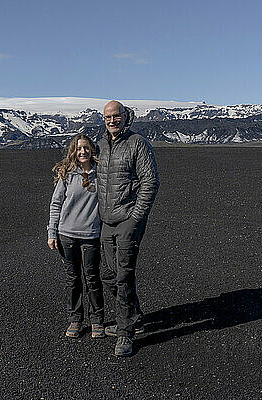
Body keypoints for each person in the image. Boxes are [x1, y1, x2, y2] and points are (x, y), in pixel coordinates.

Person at [96, 100, 160, 356]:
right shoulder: (100, 145)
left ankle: (125, 334)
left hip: (127, 221)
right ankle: (134, 317)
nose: (112, 120)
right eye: (107, 117)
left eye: (116, 116)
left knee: (123, 276)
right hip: (106, 221)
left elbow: (150, 181)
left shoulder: (137, 144)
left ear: (125, 116)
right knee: (109, 275)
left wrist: (135, 218)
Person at [47, 134, 105, 339]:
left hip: (91, 235)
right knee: (73, 280)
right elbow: (56, 204)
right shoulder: (67, 174)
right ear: (73, 151)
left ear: (92, 150)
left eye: (87, 148)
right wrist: (52, 232)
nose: (83, 152)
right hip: (67, 235)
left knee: (92, 278)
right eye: (79, 148)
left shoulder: (102, 174)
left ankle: (97, 319)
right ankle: (76, 319)